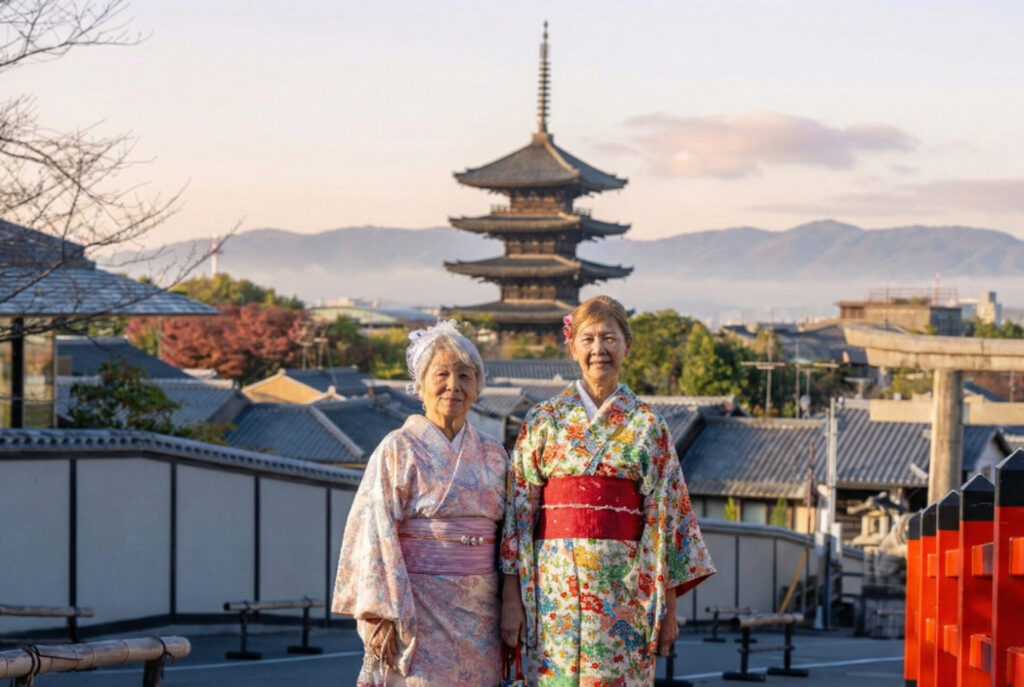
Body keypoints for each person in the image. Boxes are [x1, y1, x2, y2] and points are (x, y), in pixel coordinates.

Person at [500, 295, 715, 686]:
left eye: (609, 338)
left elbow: (667, 518)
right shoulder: (543, 419)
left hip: (626, 589)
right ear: (573, 347)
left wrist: (668, 611)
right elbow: (518, 516)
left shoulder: (648, 424)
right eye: (588, 339)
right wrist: (511, 599)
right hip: (551, 588)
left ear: (627, 345)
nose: (599, 349)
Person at [332, 321, 508, 686]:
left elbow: (512, 534)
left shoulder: (494, 454)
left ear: (477, 385)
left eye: (465, 375)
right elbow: (373, 533)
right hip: (416, 608)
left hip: (482, 611)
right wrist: (381, 613)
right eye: (441, 374)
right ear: (421, 385)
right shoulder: (398, 448)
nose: (453, 385)